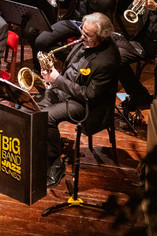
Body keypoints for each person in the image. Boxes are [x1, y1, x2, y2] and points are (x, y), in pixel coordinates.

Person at [40, 12, 120, 187]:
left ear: (101, 36)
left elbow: (88, 95)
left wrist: (58, 80)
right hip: (68, 89)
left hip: (88, 106)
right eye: (82, 31)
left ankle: (55, 163)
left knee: (46, 117)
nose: (81, 37)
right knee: (33, 107)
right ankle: (42, 151)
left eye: (87, 35)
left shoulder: (107, 61)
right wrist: (52, 75)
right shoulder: (87, 42)